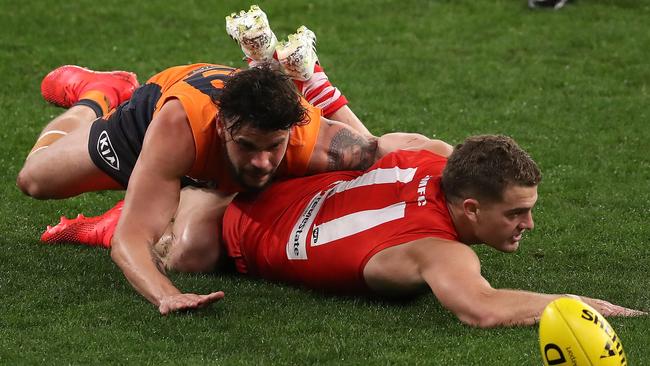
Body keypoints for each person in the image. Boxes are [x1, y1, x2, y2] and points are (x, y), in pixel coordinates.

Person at [19, 5, 448, 314]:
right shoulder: (178, 128)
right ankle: (98, 93)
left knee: (193, 254)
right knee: (35, 179)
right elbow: (130, 243)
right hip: (149, 123)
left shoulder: (309, 140)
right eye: (249, 146)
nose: (263, 163)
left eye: (273, 147)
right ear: (224, 128)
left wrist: (461, 163)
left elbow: (390, 146)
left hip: (213, 170)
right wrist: (165, 294)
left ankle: (143, 205)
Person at [42, 135, 646, 323]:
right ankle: (100, 107)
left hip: (269, 189)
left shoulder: (439, 160)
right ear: (467, 207)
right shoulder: (438, 251)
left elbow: (402, 142)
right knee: (183, 253)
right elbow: (480, 309)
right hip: (230, 212)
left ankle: (106, 167)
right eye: (515, 212)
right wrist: (591, 308)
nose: (528, 223)